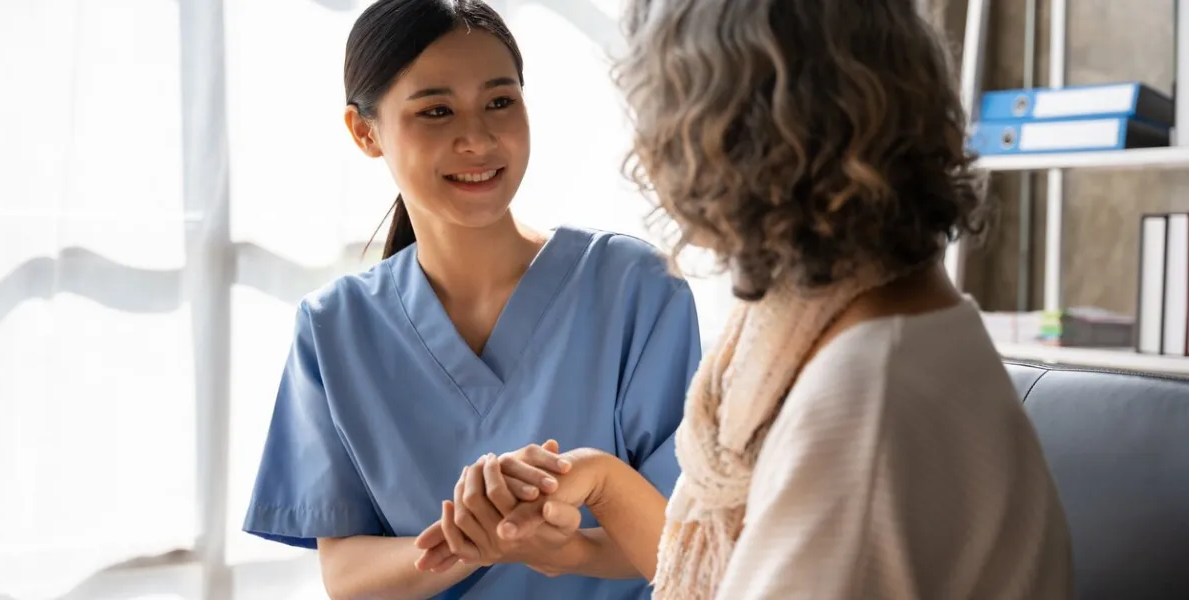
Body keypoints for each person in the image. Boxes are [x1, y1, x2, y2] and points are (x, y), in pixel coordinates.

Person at [417, 0, 1075, 598]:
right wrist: (602, 483)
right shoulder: (901, 326)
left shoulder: (859, 409)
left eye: (661, 119)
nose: (651, 154)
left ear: (729, 140)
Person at [241, 1, 701, 599]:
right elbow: (346, 574)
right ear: (365, 132)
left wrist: (556, 540)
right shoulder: (333, 328)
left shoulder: (636, 287)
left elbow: (689, 539)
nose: (478, 138)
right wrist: (468, 539)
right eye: (436, 111)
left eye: (500, 102)